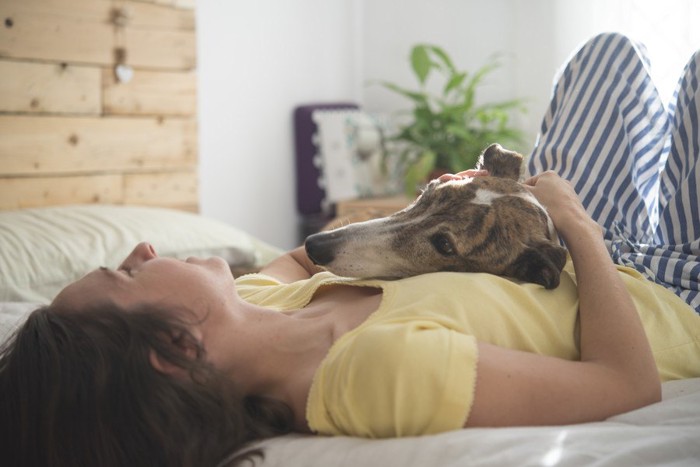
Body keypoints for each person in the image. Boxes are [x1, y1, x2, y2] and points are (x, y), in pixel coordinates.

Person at [1, 32, 699, 467]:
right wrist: (579, 228)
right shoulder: (371, 373)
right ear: (175, 346)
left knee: (609, 55)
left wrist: (445, 206)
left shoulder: (254, 302)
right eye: (128, 272)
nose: (145, 245)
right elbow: (625, 382)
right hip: (665, 289)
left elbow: (314, 254)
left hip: (547, 238)